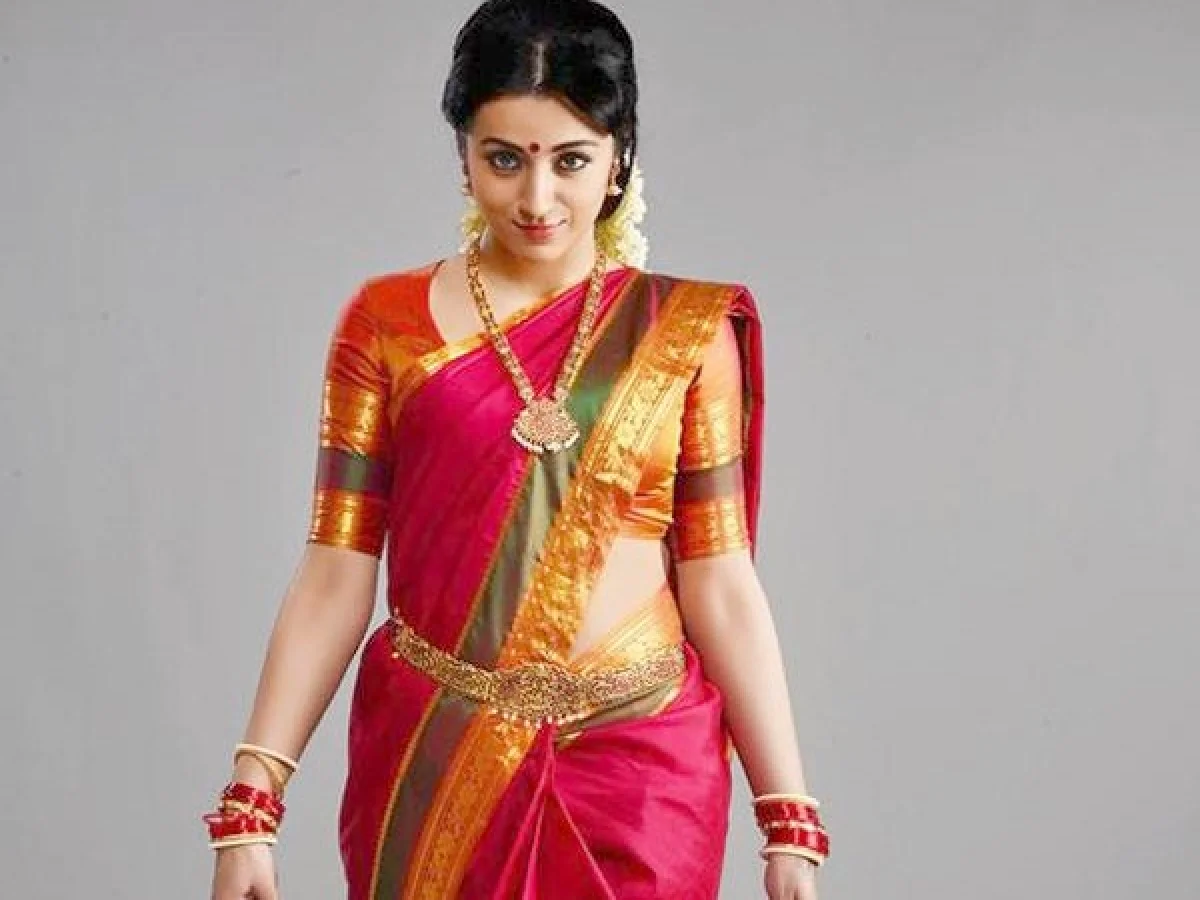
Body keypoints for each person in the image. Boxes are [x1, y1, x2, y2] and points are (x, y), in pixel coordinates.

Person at [204, 2, 830, 898]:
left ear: (619, 157)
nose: (537, 200)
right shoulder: (386, 325)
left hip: (642, 768)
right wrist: (253, 798)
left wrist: (787, 813)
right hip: (435, 749)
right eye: (505, 159)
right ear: (463, 155)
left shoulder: (684, 335)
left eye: (570, 160)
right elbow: (336, 569)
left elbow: (720, 580)